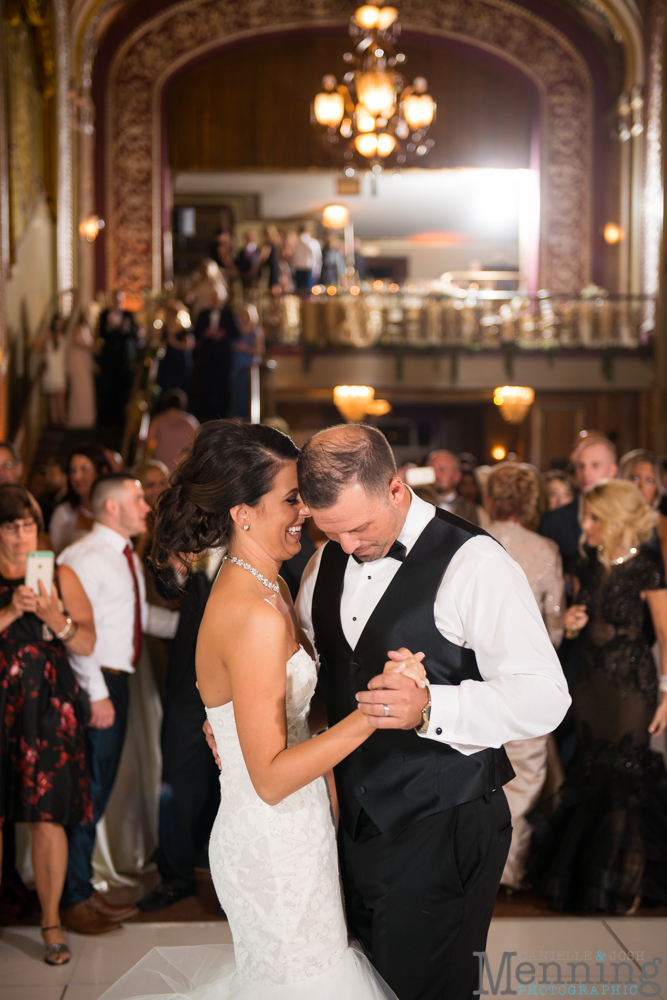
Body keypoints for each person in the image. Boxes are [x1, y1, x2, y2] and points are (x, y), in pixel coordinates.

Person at [104, 421, 416, 1000]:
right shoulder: (250, 611)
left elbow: (275, 710)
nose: (306, 510)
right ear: (242, 512)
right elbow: (270, 778)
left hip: (297, 829)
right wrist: (374, 711)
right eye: (292, 498)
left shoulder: (267, 584)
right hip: (273, 844)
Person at [294, 425, 569, 1000]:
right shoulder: (326, 565)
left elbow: (546, 696)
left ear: (397, 489)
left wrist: (431, 706)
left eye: (358, 527)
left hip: (445, 819)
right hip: (353, 820)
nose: (345, 546)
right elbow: (319, 676)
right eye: (331, 531)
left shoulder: (475, 564)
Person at [531, 479, 667, 912]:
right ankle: (593, 880)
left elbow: (664, 633)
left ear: (616, 521)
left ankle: (626, 881)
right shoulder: (586, 563)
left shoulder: (647, 566)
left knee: (625, 778)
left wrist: (666, 692)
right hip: (589, 682)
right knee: (591, 771)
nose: (585, 525)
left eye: (594, 518)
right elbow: (576, 625)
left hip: (631, 685)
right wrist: (570, 622)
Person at [57, 474, 179, 934]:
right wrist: (99, 694)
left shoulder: (120, 555)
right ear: (111, 508)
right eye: (136, 500)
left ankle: (83, 889)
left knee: (98, 788)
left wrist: (195, 624)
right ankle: (73, 899)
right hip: (98, 685)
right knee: (88, 793)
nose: (146, 507)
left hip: (116, 682)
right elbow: (75, 636)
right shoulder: (85, 557)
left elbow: (138, 617)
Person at [0, 485, 96, 965]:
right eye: (12, 524)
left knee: (46, 816)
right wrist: (13, 611)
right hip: (2, 708)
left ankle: (51, 920)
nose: (22, 534)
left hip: (46, 712)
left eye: (29, 524)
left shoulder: (58, 574)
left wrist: (56, 618)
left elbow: (85, 643)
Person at [484, 462, 565, 891]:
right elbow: (553, 623)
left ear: (491, 498)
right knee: (526, 776)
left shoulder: (470, 541)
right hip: (527, 679)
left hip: (479, 679)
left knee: (483, 777)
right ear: (530, 501)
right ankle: (508, 872)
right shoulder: (544, 549)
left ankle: (481, 868)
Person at [137, 549, 224, 912]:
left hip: (241, 680)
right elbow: (165, 588)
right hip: (188, 683)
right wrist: (178, 569)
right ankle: (175, 876)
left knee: (230, 779)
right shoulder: (188, 534)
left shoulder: (262, 536)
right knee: (176, 776)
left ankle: (225, 876)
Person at [541, 437, 618, 571]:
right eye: (581, 466)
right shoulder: (552, 520)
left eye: (595, 465)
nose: (586, 473)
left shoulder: (627, 518)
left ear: (612, 470)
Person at [49, 443, 112, 555]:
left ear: (102, 470)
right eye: (73, 470)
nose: (77, 476)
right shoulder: (63, 513)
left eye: (84, 469)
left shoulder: (114, 508)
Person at [192, 291, 239, 422]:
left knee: (221, 387)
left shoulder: (229, 314)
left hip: (222, 357)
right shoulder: (203, 314)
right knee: (205, 387)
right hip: (206, 358)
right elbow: (196, 332)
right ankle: (205, 416)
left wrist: (222, 334)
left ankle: (222, 415)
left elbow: (235, 332)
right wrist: (206, 333)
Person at [619, 449, 667, 570]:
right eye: (635, 478)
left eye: (649, 480)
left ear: (657, 488)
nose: (641, 486)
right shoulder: (609, 521)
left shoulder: (662, 526)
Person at [96, 291, 139, 427]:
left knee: (123, 388)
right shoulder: (104, 314)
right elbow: (101, 334)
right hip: (109, 358)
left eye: (119, 300)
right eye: (114, 299)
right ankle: (106, 420)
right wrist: (111, 326)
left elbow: (134, 335)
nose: (117, 302)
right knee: (107, 388)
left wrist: (124, 328)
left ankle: (121, 421)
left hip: (124, 358)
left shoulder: (129, 315)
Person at [426, 448, 484, 525]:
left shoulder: (473, 510)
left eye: (442, 469)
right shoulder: (418, 506)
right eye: (431, 470)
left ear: (457, 476)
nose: (436, 474)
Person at [146, 389, 199, 471]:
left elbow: (149, 440)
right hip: (181, 466)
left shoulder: (158, 420)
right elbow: (197, 443)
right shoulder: (190, 422)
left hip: (161, 465)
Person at [30, 315, 68, 426]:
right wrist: (44, 356)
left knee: (61, 393)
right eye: (57, 323)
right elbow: (37, 344)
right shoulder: (49, 334)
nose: (59, 325)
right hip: (52, 366)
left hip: (60, 366)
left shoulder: (62, 335)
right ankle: (55, 419)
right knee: (53, 394)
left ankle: (62, 417)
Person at [229, 305, 263, 421]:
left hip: (247, 367)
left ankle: (246, 418)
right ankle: (235, 417)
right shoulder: (235, 330)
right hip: (235, 366)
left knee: (245, 394)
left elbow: (258, 350)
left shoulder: (255, 332)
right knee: (235, 393)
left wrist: (244, 348)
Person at [156, 302, 194, 399]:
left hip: (179, 360)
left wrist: (174, 342)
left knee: (180, 385)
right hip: (168, 360)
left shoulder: (184, 328)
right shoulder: (164, 328)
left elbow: (189, 345)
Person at [68, 313, 97, 429]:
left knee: (85, 390)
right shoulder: (79, 328)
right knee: (79, 389)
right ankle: (77, 419)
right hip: (78, 363)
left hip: (83, 363)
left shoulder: (87, 330)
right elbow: (75, 341)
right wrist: (91, 348)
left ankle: (85, 419)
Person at [291, 226, 322, 292]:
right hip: (307, 269)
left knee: (300, 291)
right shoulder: (313, 243)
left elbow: (294, 258)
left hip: (300, 269)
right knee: (309, 292)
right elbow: (317, 257)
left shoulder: (297, 243)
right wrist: (317, 270)